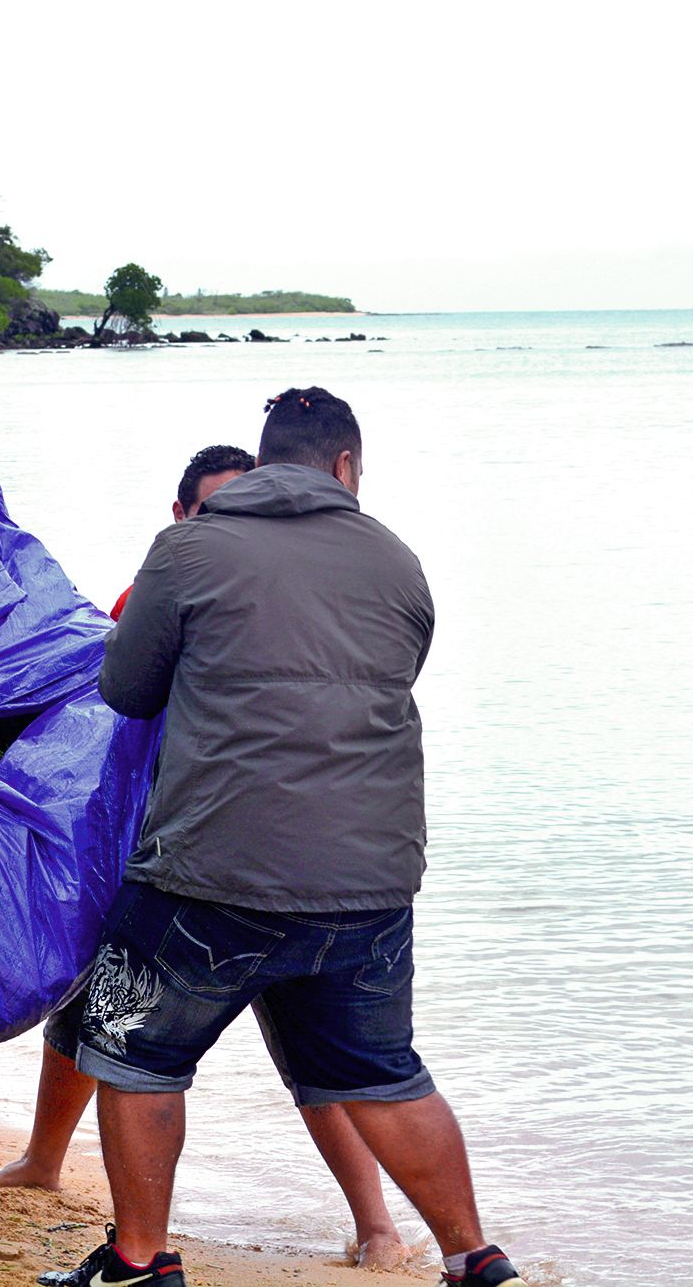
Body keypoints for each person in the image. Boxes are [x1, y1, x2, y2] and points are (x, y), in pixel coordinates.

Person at [46, 388, 527, 1287]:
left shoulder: (188, 546)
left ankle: (140, 1260)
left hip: (213, 871)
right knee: (383, 1073)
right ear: (344, 467)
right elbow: (393, 672)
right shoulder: (396, 557)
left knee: (131, 1049)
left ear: (264, 462)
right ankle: (475, 1257)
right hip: (371, 880)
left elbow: (126, 687)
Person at [0, 445, 407, 1273]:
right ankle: (43, 1161)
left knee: (312, 1053)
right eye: (216, 509)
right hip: (155, 843)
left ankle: (377, 1222)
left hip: (241, 858)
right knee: (91, 1016)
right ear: (181, 517)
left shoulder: (259, 589)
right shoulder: (156, 591)